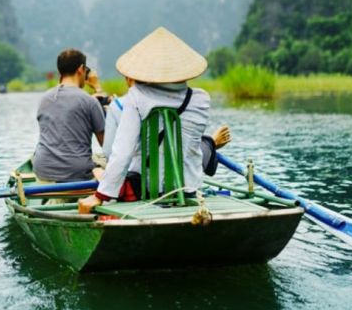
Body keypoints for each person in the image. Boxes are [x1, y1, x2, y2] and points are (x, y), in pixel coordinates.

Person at [78, 27, 216, 213]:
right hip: (191, 189)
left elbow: (122, 152)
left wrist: (100, 196)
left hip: (147, 191)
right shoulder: (201, 99)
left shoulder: (136, 97)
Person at [32, 49, 106, 182]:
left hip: (42, 170)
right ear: (81, 69)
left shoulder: (44, 98)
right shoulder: (90, 101)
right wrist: (98, 88)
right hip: (77, 173)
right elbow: (106, 145)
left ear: (60, 71)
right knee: (106, 164)